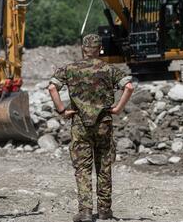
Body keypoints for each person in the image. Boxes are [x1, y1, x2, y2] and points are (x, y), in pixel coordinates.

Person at [48, 34, 134, 222]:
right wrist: (118, 108)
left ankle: (85, 212)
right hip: (104, 124)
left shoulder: (70, 69)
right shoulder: (110, 69)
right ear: (100, 49)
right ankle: (104, 210)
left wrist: (62, 110)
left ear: (83, 49)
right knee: (103, 166)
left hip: (80, 125)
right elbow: (129, 87)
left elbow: (52, 88)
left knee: (83, 168)